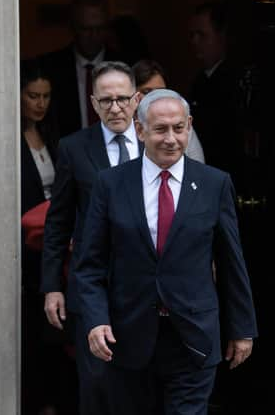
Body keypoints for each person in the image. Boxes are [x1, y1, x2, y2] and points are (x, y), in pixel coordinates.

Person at [75, 89, 258, 415]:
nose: (170, 138)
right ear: (141, 130)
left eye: (178, 128)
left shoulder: (214, 184)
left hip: (193, 337)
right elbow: (90, 263)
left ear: (189, 126)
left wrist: (242, 328)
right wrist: (95, 320)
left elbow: (231, 261)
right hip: (127, 337)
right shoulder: (111, 184)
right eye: (160, 129)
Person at [41, 61, 142, 415]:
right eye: (106, 100)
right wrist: (52, 285)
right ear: (93, 102)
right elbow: (58, 222)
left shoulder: (156, 142)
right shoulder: (73, 147)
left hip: (145, 290)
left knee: (140, 388)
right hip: (91, 287)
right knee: (96, 385)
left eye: (122, 99)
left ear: (137, 100)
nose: (115, 107)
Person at [19, 59, 77, 415]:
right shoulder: (8, 137)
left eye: (46, 96)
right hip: (27, 247)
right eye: (32, 95)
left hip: (54, 244)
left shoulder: (55, 135)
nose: (40, 103)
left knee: (57, 332)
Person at [39, 0, 119, 138]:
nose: (93, 36)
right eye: (86, 29)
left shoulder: (123, 65)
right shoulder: (51, 67)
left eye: (99, 29)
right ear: (73, 28)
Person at [187, 1, 241, 176]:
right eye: (192, 35)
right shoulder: (200, 80)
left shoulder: (235, 81)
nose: (194, 41)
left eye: (202, 35)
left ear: (221, 36)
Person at [132, 59, 205, 163]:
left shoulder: (182, 125)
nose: (155, 97)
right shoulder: (123, 127)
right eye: (147, 92)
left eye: (161, 91)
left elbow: (198, 168)